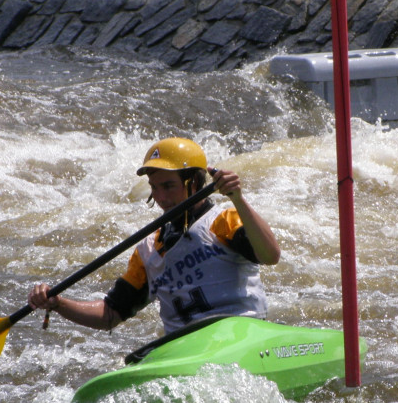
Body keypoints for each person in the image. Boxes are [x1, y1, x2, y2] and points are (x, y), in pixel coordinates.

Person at [28, 137, 281, 338]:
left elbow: (270, 255)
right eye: (154, 187)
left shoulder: (224, 221)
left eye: (168, 186)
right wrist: (58, 303)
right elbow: (110, 314)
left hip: (241, 334)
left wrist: (238, 198)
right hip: (186, 346)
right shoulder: (148, 252)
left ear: (194, 182)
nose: (161, 197)